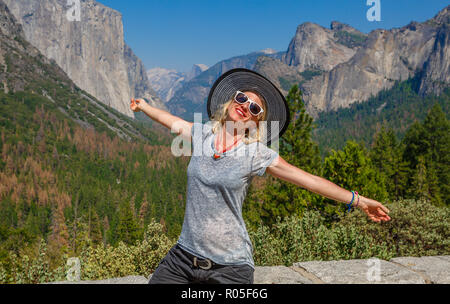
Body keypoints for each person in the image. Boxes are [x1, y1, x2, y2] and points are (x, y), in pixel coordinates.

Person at [130, 68, 391, 284]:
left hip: (229, 268)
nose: (246, 107)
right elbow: (172, 121)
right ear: (232, 101)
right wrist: (144, 106)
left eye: (255, 109)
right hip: (183, 258)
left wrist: (358, 201)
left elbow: (306, 179)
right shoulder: (203, 135)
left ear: (256, 123)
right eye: (243, 99)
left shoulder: (255, 153)